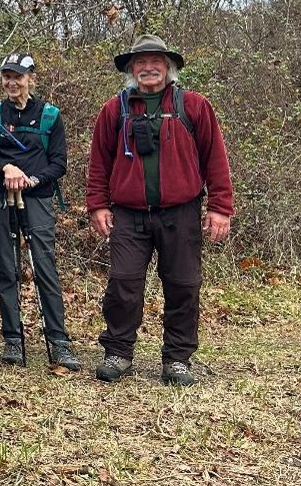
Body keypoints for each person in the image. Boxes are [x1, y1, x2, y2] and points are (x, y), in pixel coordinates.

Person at [86, 35, 234, 387]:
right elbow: (99, 163)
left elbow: (215, 158)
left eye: (156, 62)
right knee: (123, 282)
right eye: (141, 62)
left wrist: (220, 207)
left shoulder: (194, 106)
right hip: (128, 214)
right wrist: (98, 204)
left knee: (183, 284)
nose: (148, 68)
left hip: (180, 212)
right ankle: (118, 352)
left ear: (168, 68)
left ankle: (177, 359)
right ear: (131, 69)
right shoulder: (114, 110)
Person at [0, 53, 81, 370]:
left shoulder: (50, 116)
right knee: (6, 268)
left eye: (18, 77)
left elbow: (59, 162)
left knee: (44, 267)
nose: (12, 82)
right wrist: (7, 168)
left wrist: (32, 179)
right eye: (7, 76)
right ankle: (12, 338)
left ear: (30, 79)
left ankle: (59, 341)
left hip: (37, 197)